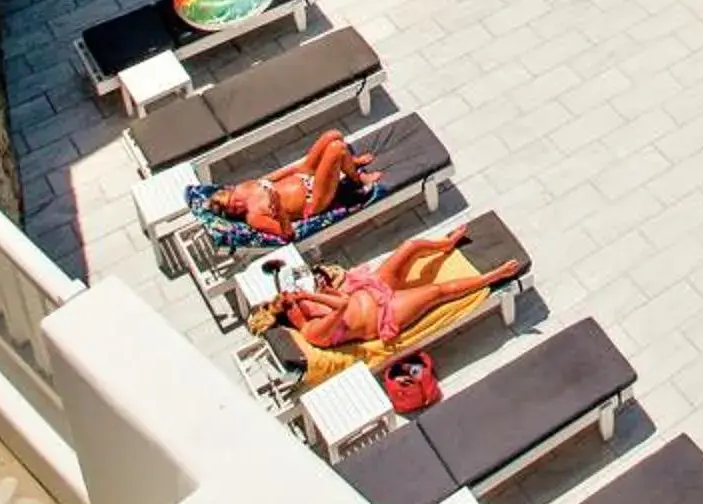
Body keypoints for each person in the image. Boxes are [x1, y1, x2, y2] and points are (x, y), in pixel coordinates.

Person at [267, 228, 526, 350]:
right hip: (384, 314)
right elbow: (343, 308)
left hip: (371, 288)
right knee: (438, 292)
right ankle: (494, 276)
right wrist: (310, 295)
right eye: (289, 303)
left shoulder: (307, 307)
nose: (293, 298)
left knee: (410, 245)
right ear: (290, 317)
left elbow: (342, 297)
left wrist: (325, 287)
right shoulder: (311, 331)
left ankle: (444, 244)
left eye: (287, 296)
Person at [203, 129, 377, 242]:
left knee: (333, 136)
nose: (235, 205)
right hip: (313, 199)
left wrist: (300, 168)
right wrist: (278, 208)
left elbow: (272, 178)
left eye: (231, 200)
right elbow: (287, 233)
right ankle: (357, 180)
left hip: (302, 176)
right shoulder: (254, 217)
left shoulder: (243, 188)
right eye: (232, 210)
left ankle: (349, 162)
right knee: (337, 148)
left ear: (230, 191)